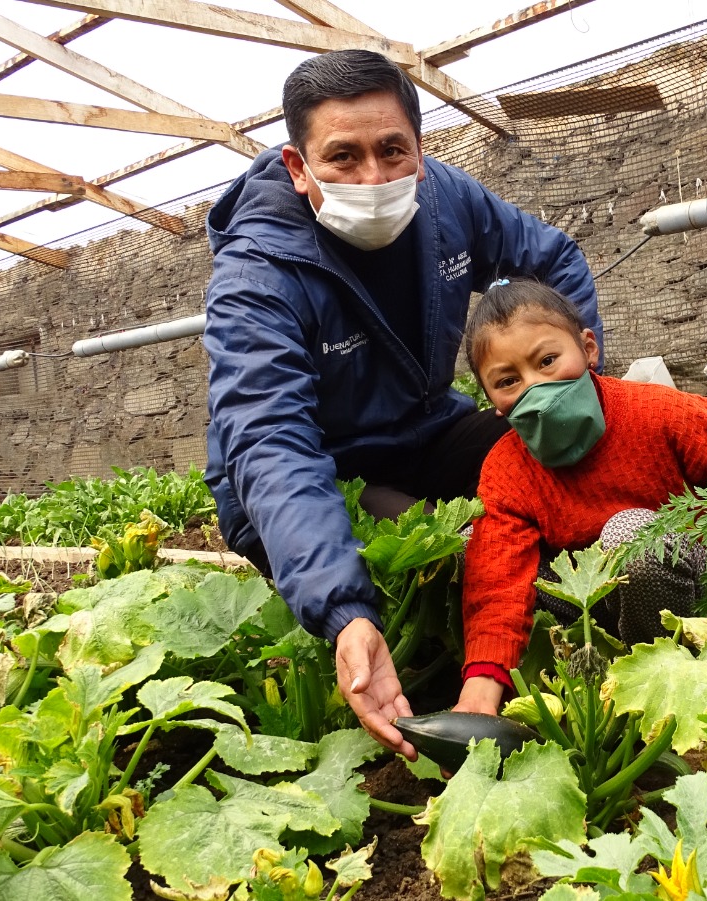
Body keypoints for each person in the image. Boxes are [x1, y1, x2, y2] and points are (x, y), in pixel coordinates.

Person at [202, 50, 601, 759]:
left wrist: (565, 387)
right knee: (446, 550)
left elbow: (555, 260)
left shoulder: (446, 201)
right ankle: (462, 668)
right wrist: (345, 610)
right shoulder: (255, 277)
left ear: (420, 152)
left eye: (392, 151)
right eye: (342, 158)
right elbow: (273, 443)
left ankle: (618, 573)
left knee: (544, 466)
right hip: (320, 469)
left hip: (421, 425)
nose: (374, 177)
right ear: (298, 168)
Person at [453, 279, 707, 715]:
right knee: (469, 545)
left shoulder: (668, 416)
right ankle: (591, 672)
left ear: (588, 348)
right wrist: (479, 691)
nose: (536, 388)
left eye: (548, 360)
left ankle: (662, 683)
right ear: (493, 400)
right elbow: (499, 581)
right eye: (509, 381)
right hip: (595, 610)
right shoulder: (506, 467)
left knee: (629, 534)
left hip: (690, 595)